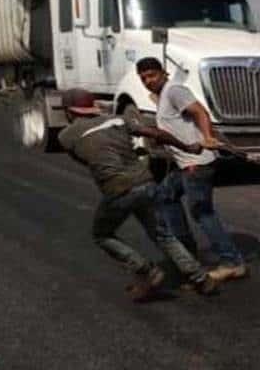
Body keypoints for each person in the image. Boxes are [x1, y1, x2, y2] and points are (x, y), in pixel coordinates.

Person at [57, 88, 222, 301]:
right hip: (146, 182)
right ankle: (200, 278)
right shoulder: (118, 120)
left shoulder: (65, 135)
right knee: (162, 234)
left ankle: (147, 271)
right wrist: (188, 147)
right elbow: (156, 133)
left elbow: (86, 159)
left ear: (69, 112)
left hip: (118, 189)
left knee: (102, 234)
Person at [135, 58, 248, 282]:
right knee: (165, 195)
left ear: (163, 73)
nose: (148, 81)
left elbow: (199, 112)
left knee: (202, 213)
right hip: (186, 163)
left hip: (197, 163)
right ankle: (187, 251)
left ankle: (232, 262)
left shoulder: (174, 90)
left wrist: (207, 138)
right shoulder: (163, 95)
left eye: (152, 75)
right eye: (144, 78)